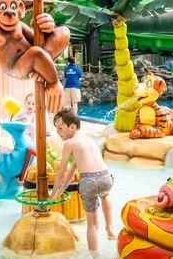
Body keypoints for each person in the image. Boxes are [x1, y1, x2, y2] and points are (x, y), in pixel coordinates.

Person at [50, 109, 114, 257]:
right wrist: (62, 190)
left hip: (89, 181)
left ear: (72, 127)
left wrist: (53, 194)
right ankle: (110, 227)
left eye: (60, 128)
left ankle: (95, 254)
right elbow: (73, 169)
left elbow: (61, 172)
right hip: (106, 176)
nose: (58, 132)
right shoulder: (89, 140)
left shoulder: (70, 144)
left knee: (92, 224)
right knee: (105, 194)